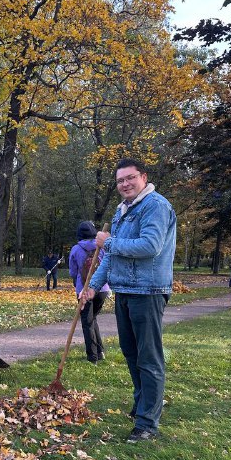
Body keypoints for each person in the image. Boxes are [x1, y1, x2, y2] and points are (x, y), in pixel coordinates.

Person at [80, 158, 176, 443]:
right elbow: (110, 257)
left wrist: (107, 241)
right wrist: (93, 287)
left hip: (148, 291)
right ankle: (142, 404)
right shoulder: (122, 211)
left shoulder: (155, 206)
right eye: (120, 180)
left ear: (143, 177)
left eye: (129, 178)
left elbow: (150, 246)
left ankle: (147, 423)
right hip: (124, 291)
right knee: (131, 353)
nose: (124, 184)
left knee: (149, 356)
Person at [69, 221, 110, 363]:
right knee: (93, 319)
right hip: (103, 289)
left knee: (87, 322)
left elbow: (73, 272)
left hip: (84, 291)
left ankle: (92, 356)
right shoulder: (102, 247)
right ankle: (100, 351)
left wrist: (77, 284)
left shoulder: (75, 249)